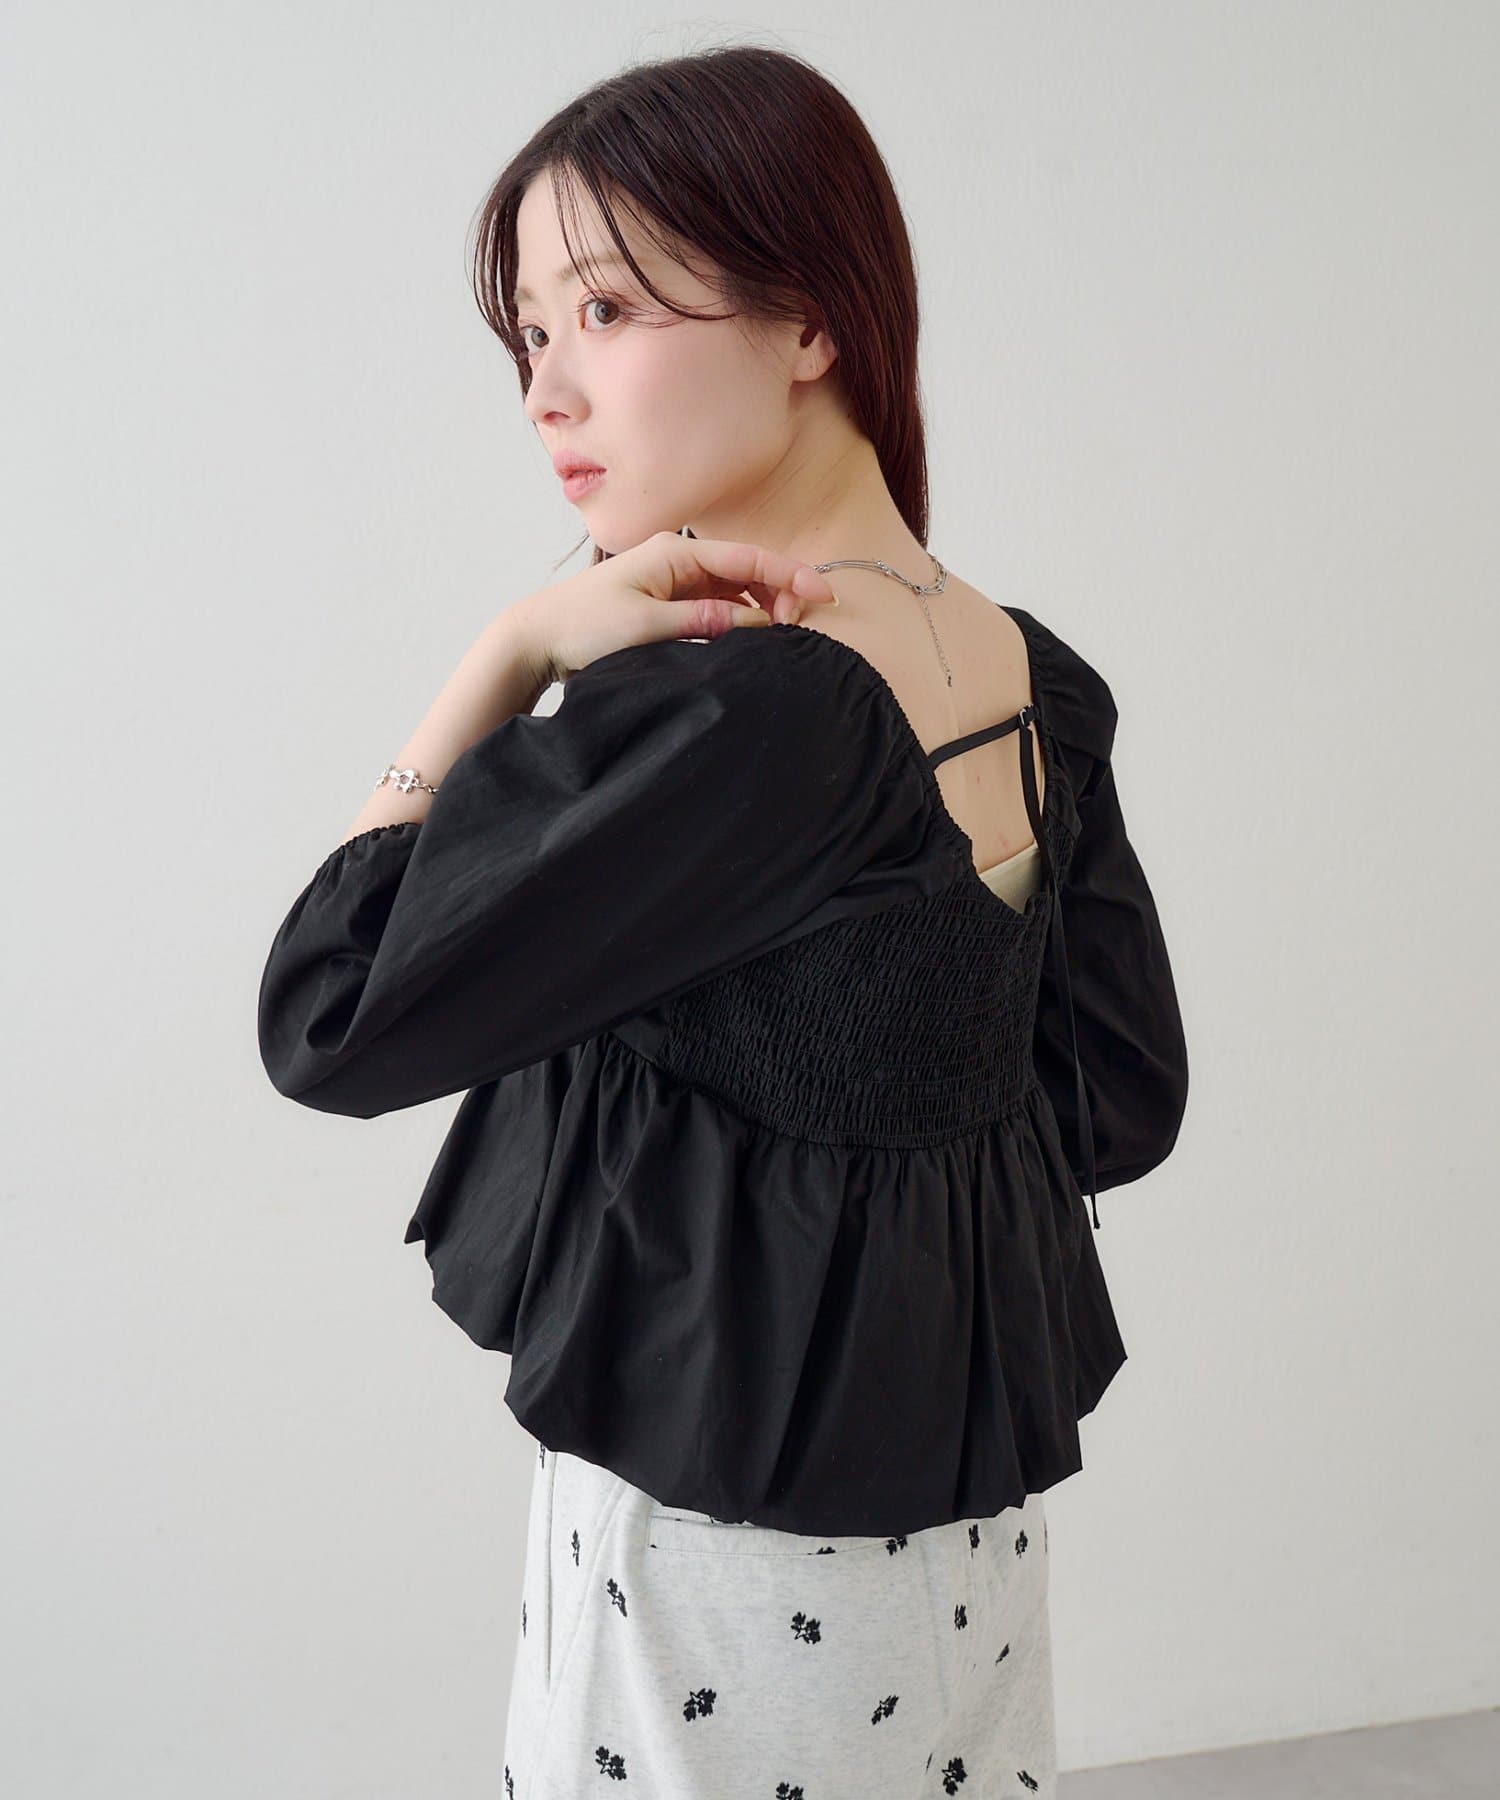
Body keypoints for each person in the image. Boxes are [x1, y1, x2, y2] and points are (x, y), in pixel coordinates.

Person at [257, 45, 1189, 1799]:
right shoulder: (1029, 677)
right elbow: (1116, 1100)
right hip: (959, 1551)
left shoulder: (739, 721)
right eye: (531, 335)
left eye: (605, 309)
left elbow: (329, 1018)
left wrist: (505, 658)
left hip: (709, 1561)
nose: (548, 389)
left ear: (811, 318)